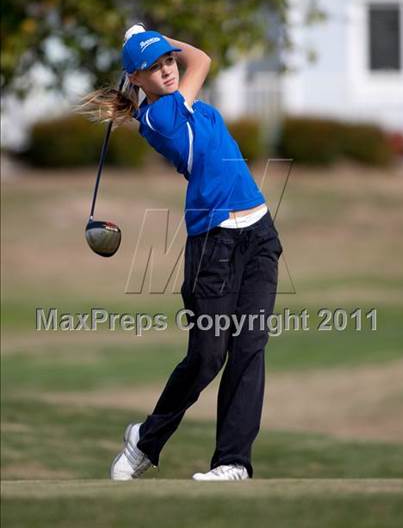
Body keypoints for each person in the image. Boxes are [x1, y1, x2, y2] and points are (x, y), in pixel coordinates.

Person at [81, 24, 283, 481]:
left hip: (258, 235)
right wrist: (161, 40)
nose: (168, 70)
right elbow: (204, 59)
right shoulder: (160, 119)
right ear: (136, 79)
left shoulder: (190, 105)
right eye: (154, 67)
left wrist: (155, 40)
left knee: (250, 347)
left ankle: (233, 462)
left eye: (169, 61)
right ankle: (145, 440)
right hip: (214, 244)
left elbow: (196, 60)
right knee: (208, 356)